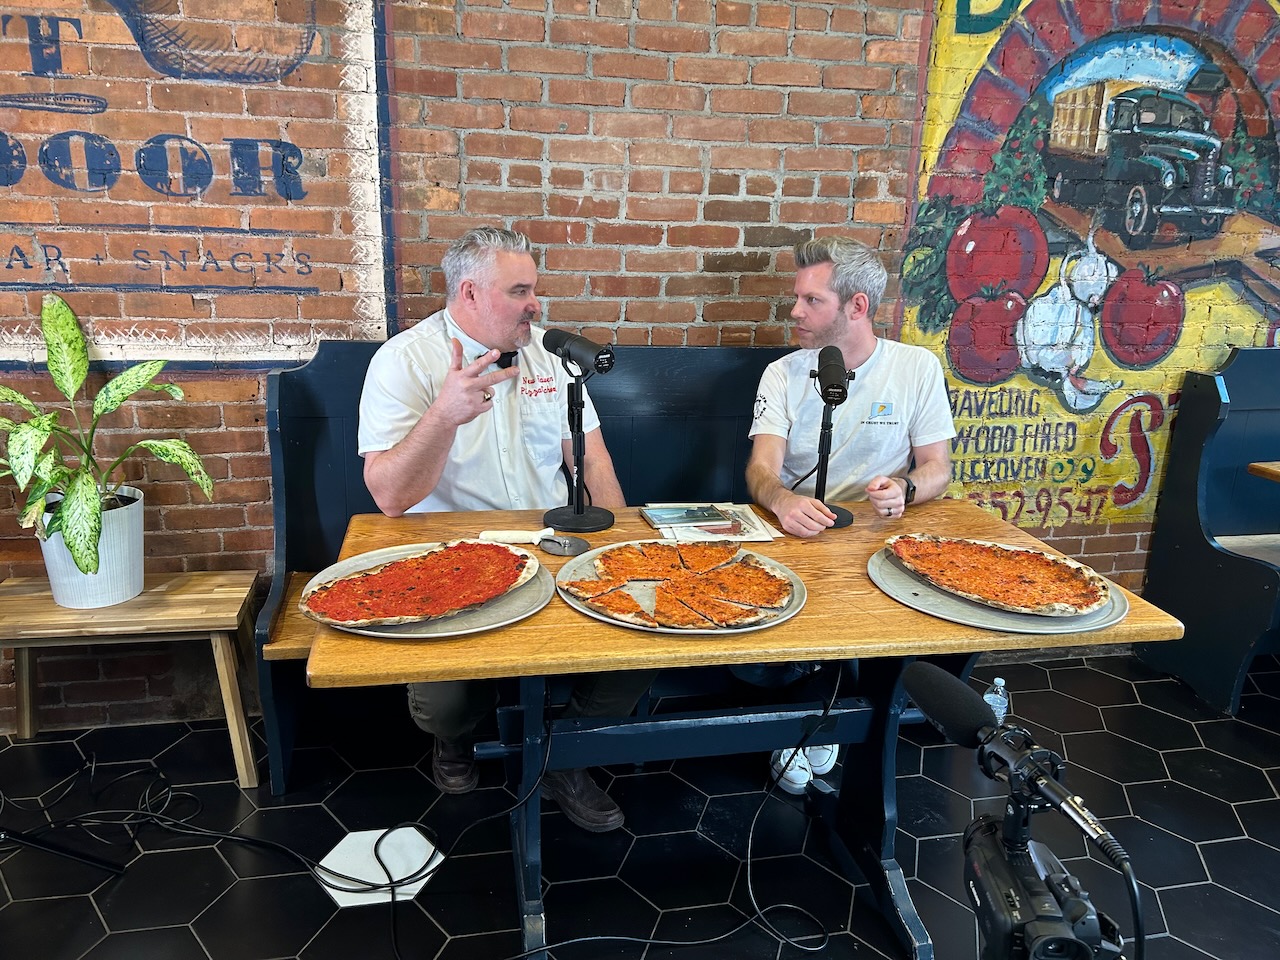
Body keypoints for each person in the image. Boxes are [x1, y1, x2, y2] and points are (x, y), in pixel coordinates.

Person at [358, 227, 652, 832]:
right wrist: (443, 416)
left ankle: (562, 752)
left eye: (535, 289)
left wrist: (625, 545)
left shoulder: (552, 353)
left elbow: (590, 459)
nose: (535, 305)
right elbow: (389, 496)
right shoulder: (404, 361)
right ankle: (456, 737)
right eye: (520, 291)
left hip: (551, 545)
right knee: (443, 702)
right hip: (451, 559)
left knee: (641, 648)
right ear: (469, 292)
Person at [743, 235, 956, 793]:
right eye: (798, 297)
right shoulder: (783, 373)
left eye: (812, 300)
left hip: (874, 536)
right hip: (797, 537)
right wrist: (784, 501)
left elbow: (938, 468)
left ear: (857, 306)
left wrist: (906, 488)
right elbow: (760, 469)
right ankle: (809, 722)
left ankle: (853, 725)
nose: (794, 311)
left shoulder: (915, 367)